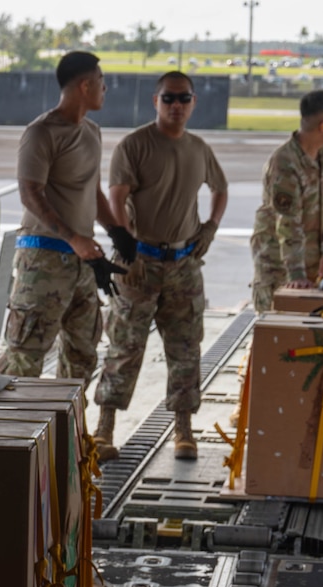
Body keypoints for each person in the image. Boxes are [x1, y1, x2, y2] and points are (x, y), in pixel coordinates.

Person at [96, 71, 228, 460]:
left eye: (183, 99)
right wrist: (126, 243)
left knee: (186, 347)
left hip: (183, 263)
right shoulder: (135, 145)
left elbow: (220, 189)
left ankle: (184, 430)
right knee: (124, 346)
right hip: (140, 262)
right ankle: (104, 429)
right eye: (168, 98)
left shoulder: (199, 148)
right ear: (155, 101)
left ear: (193, 103)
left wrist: (211, 226)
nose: (176, 106)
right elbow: (116, 195)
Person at [0, 51, 112, 384]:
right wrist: (74, 238)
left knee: (83, 353)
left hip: (82, 263)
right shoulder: (41, 132)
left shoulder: (92, 132)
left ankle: (66, 431)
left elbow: (95, 193)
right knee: (25, 355)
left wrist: (119, 233)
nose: (106, 88)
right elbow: (30, 193)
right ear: (86, 85)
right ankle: (6, 428)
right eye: (102, 81)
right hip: (43, 259)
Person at [250, 88, 323, 312]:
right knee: (274, 329)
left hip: (311, 265)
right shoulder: (285, 163)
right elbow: (287, 222)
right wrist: (296, 275)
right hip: (280, 267)